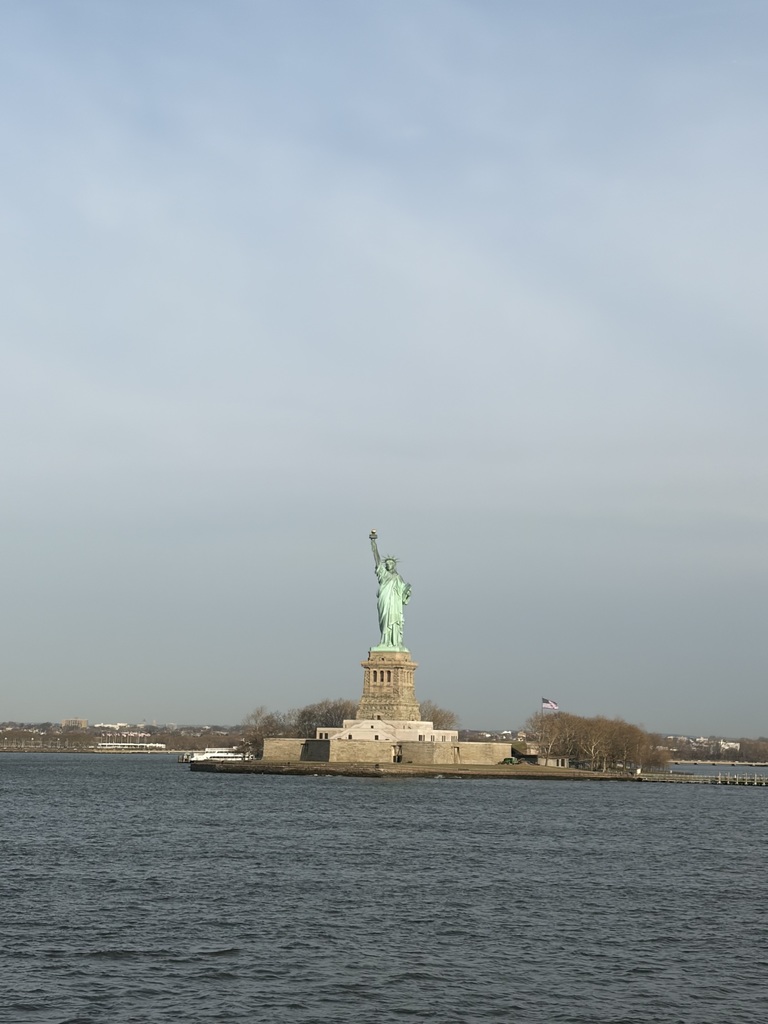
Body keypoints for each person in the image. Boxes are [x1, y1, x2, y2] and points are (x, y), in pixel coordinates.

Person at [369, 530, 411, 649]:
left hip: (395, 604)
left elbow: (404, 595)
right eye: (386, 563)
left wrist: (407, 591)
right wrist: (373, 543)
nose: (388, 565)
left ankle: (394, 642)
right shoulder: (383, 574)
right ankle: (384, 641)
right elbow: (377, 559)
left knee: (393, 620)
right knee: (384, 620)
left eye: (391, 563)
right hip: (384, 599)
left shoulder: (398, 578)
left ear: (394, 565)